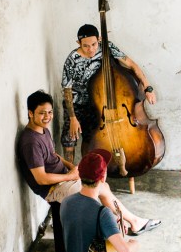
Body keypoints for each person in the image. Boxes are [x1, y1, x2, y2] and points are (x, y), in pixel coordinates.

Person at [17, 90, 161, 234]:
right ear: (30, 113)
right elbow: (41, 179)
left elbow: (53, 155)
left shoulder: (43, 130)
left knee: (103, 185)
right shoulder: (31, 142)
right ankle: (119, 226)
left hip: (64, 178)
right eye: (42, 113)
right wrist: (70, 176)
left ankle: (129, 222)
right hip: (53, 189)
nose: (47, 117)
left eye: (50, 112)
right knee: (95, 191)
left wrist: (72, 167)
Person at [60, 150, 159, 252]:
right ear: (103, 178)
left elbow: (83, 231)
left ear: (80, 175)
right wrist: (133, 243)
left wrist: (112, 227)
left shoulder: (66, 202)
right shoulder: (102, 212)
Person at [60, 23, 158, 163]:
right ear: (78, 43)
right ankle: (69, 172)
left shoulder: (107, 47)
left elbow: (131, 64)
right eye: (85, 46)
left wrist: (148, 87)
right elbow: (67, 90)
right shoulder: (72, 60)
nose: (90, 49)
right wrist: (72, 118)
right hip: (77, 104)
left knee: (90, 140)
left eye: (94, 44)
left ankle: (92, 170)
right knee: (69, 139)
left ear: (99, 39)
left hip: (99, 103)